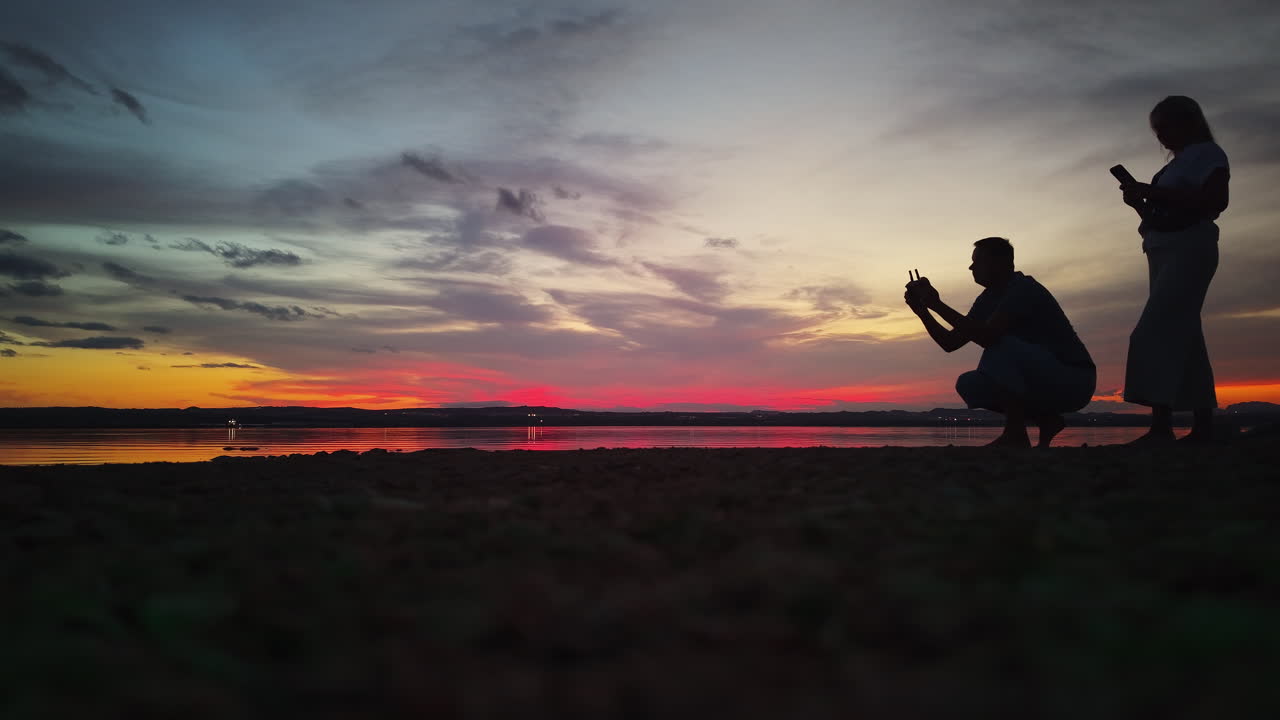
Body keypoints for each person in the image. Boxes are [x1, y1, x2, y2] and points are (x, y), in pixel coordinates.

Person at [905, 237, 1096, 447]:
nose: (971, 267)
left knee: (1001, 344)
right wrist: (923, 311)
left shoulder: (1023, 288)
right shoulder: (987, 298)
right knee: (970, 384)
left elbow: (988, 337)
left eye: (977, 261)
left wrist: (937, 303)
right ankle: (1046, 420)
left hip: (1074, 379)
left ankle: (1015, 434)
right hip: (1042, 377)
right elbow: (950, 342)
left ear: (1000, 262)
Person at [1117, 95, 1229, 445]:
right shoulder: (1171, 168)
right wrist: (1141, 203)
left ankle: (1161, 425)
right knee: (1186, 335)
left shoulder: (1209, 155)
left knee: (1154, 331)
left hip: (1189, 248)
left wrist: (1154, 193)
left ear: (1188, 122)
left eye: (1165, 127)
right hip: (1163, 250)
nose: (1161, 136)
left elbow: (1215, 203)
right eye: (1157, 130)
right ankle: (1203, 426)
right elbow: (1158, 218)